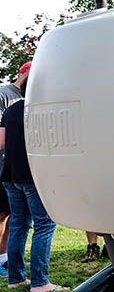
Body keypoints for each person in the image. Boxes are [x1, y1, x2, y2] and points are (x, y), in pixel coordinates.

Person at [1, 97, 69, 292]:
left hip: (10, 175)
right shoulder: (46, 107)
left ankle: (16, 279)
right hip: (34, 175)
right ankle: (40, 283)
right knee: (45, 225)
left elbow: (1, 142)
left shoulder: (11, 109)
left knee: (18, 226)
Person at [0, 61, 31, 277]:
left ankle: (7, 259)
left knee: (14, 217)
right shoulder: (4, 94)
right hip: (4, 164)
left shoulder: (29, 98)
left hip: (18, 166)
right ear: (25, 72)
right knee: (2, 216)